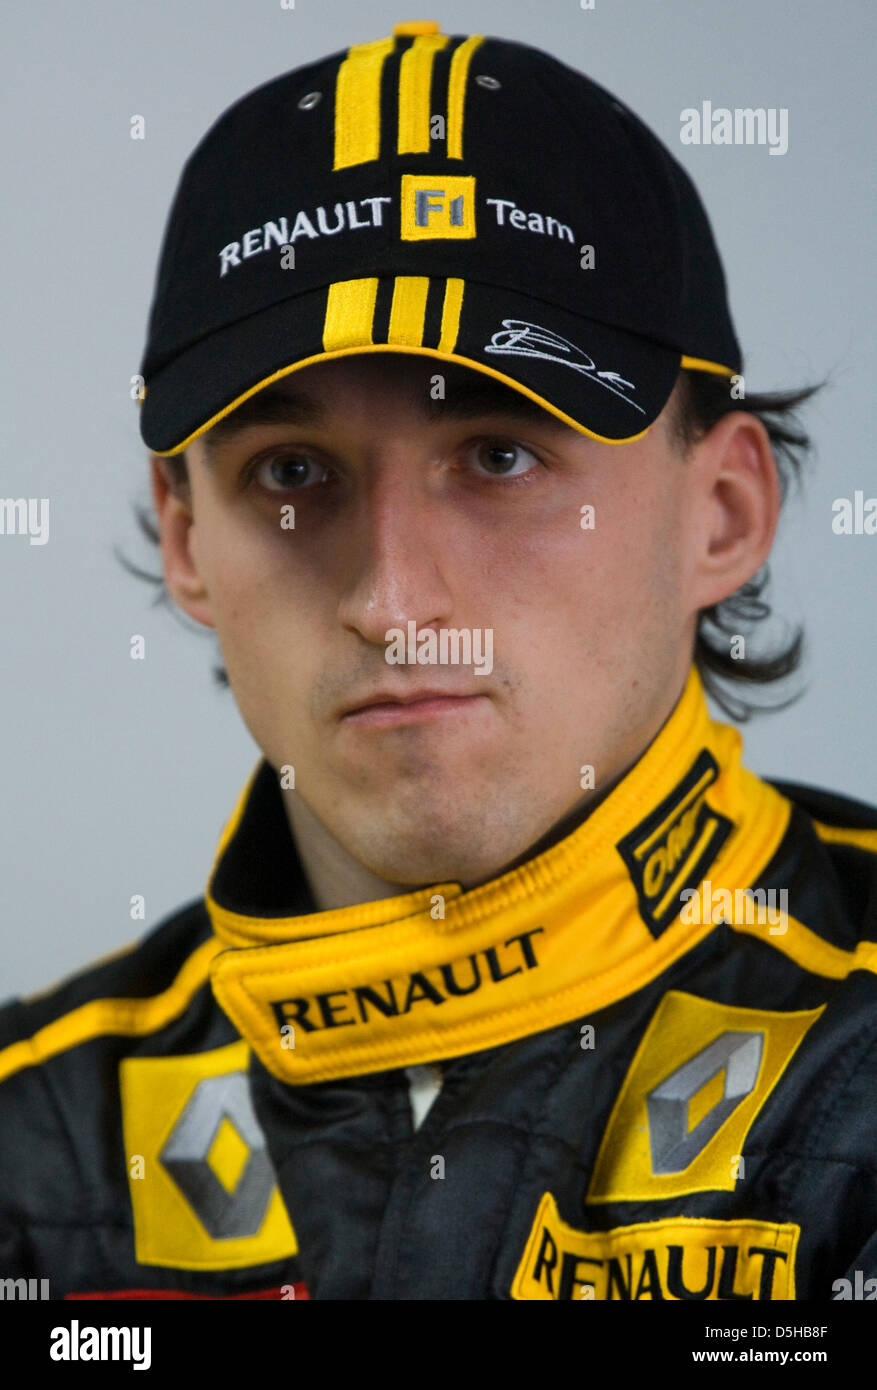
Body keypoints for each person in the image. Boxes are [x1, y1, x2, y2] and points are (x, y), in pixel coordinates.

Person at [1, 19, 875, 1303]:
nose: (392, 599)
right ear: (186, 538)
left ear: (723, 515)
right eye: (292, 475)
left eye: (500, 454)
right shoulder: (38, 1138)